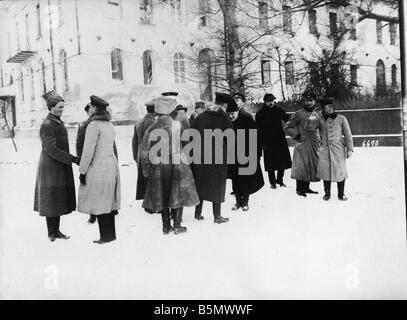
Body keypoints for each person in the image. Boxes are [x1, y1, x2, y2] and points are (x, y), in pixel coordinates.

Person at [140, 97, 200, 235]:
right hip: (177, 163)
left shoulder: (151, 128)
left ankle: (166, 226)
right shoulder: (177, 125)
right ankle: (177, 225)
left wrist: (146, 170)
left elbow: (144, 152)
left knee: (162, 194)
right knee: (177, 193)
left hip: (158, 165)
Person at [34, 90, 79, 242]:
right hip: (51, 168)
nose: (61, 110)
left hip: (58, 166)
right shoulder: (47, 125)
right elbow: (51, 149)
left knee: (57, 199)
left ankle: (56, 230)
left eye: (62, 107)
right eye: (59, 107)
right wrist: (72, 159)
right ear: (51, 107)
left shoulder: (56, 122)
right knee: (51, 200)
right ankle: (51, 232)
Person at [78, 95, 121, 244]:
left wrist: (82, 171)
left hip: (98, 166)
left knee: (100, 200)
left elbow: (88, 151)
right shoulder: (109, 125)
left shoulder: (94, 125)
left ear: (94, 108)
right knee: (108, 200)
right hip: (110, 164)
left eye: (91, 107)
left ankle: (105, 236)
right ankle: (111, 234)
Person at [191, 92, 234, 223]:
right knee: (218, 185)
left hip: (201, 156)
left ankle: (197, 213)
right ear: (224, 105)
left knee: (200, 183)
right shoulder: (224, 118)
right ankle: (217, 216)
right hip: (218, 157)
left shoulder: (202, 116)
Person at [226, 99, 264, 211]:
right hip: (232, 155)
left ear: (237, 111)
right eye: (228, 114)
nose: (231, 116)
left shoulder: (247, 120)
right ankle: (238, 201)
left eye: (232, 113)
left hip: (247, 154)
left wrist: (257, 155)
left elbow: (255, 138)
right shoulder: (228, 123)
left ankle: (245, 201)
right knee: (235, 179)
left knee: (246, 178)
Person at [315, 98, 354, 201]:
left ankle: (341, 194)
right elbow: (310, 127)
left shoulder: (342, 118)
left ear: (330, 107)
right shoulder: (319, 120)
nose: (322, 110)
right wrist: (314, 114)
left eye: (324, 108)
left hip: (338, 149)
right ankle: (327, 194)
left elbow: (348, 134)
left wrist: (349, 149)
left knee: (340, 172)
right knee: (325, 172)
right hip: (324, 150)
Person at [285, 91, 321, 197]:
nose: (309, 103)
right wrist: (296, 136)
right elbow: (288, 126)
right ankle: (299, 189)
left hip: (314, 143)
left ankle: (306, 187)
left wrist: (321, 138)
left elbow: (321, 127)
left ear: (314, 101)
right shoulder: (298, 113)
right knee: (301, 165)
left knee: (310, 164)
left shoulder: (318, 114)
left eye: (311, 100)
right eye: (307, 100)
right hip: (302, 142)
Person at [255, 93, 292, 188]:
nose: (271, 103)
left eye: (272, 101)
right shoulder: (260, 113)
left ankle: (280, 180)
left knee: (282, 162)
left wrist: (294, 120)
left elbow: (287, 119)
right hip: (267, 141)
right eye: (268, 101)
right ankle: (272, 183)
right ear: (265, 102)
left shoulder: (278, 110)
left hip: (279, 139)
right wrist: (261, 142)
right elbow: (257, 129)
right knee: (270, 163)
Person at [132, 99, 156, 210]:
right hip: (150, 155)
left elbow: (134, 142)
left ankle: (147, 205)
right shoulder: (154, 123)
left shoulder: (138, 123)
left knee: (143, 180)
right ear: (155, 111)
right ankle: (151, 206)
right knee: (152, 180)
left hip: (140, 155)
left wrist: (136, 157)